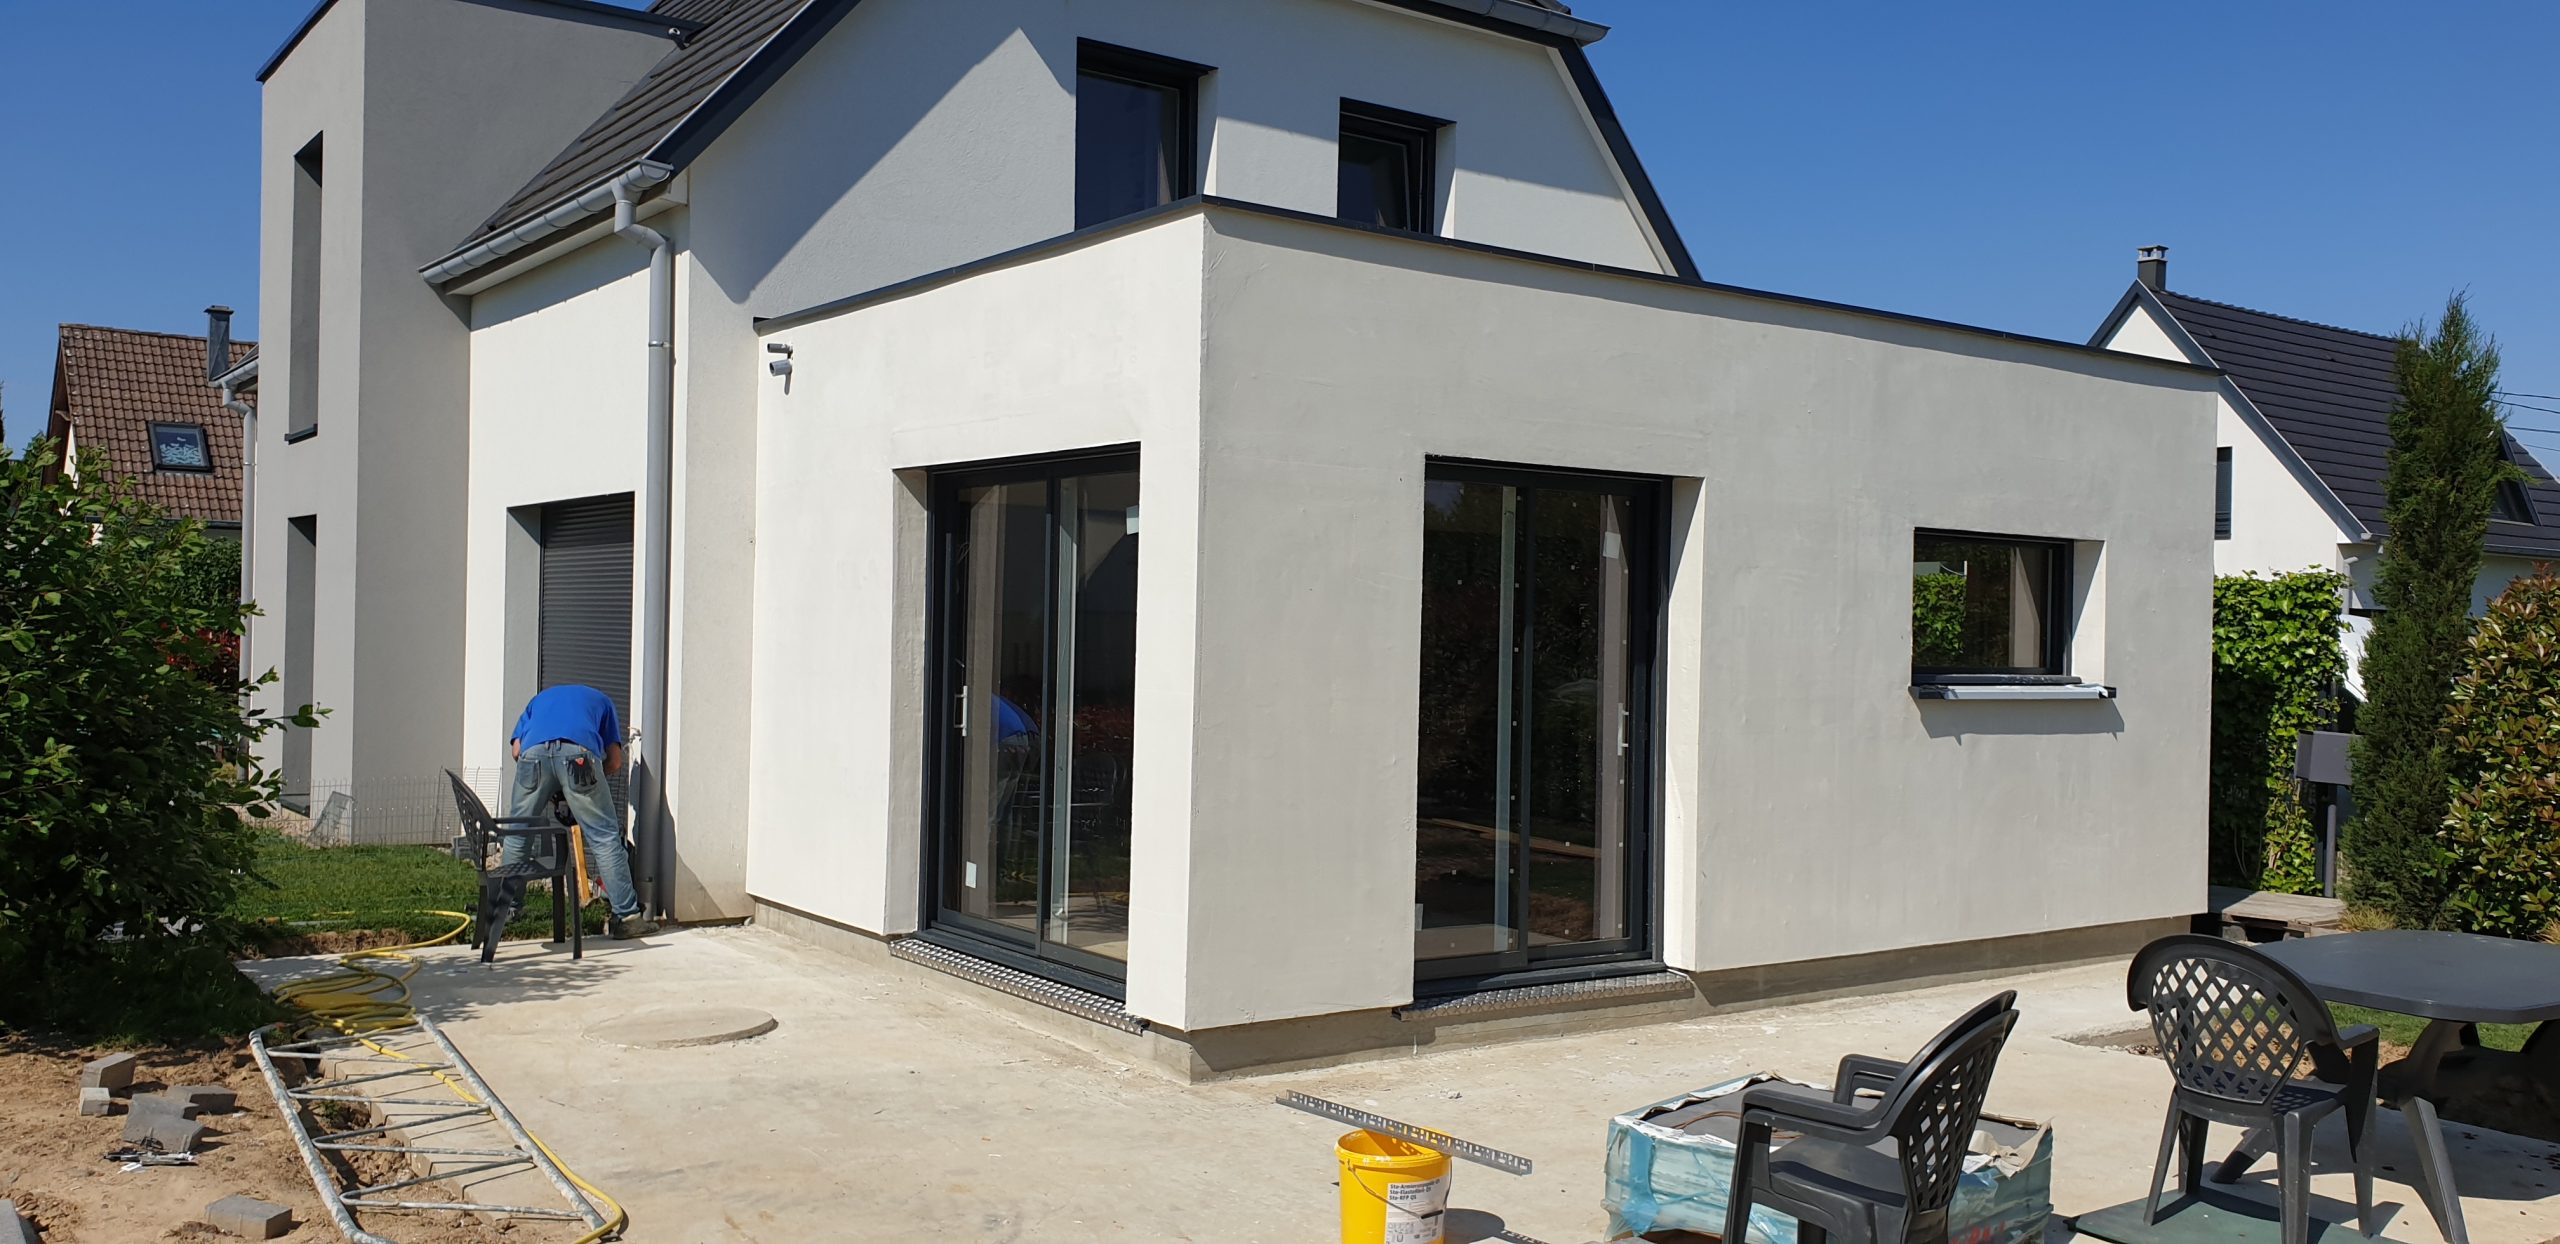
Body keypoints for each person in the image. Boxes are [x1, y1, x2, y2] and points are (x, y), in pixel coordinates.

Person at [499, 683, 657, 938]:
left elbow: (517, 751)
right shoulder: (602, 701)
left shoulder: (538, 700)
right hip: (578, 756)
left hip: (533, 755)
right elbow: (615, 762)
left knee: (518, 833)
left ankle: (506, 910)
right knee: (604, 837)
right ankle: (627, 917)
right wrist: (583, 786)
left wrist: (553, 787)